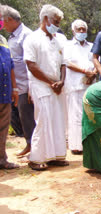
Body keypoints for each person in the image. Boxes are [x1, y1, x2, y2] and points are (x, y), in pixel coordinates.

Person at [23, 4, 68, 171]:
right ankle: (36, 158)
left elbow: (64, 63)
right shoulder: (32, 38)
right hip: (41, 85)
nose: (57, 24)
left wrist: (61, 81)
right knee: (43, 120)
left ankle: (56, 156)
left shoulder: (59, 39)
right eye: (55, 21)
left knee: (58, 120)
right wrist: (51, 82)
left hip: (58, 87)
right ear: (45, 19)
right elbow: (31, 65)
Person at [1, 5, 35, 156]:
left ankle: (33, 146)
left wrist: (31, 87)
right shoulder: (12, 36)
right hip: (17, 86)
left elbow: (30, 62)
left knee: (28, 116)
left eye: (3, 21)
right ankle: (29, 144)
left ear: (9, 19)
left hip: (26, 85)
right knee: (22, 116)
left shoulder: (26, 35)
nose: (3, 25)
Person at [64, 19, 96, 155]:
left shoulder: (92, 46)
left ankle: (89, 143)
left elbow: (96, 61)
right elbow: (68, 63)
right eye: (79, 29)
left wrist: (93, 74)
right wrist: (85, 72)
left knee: (89, 115)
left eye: (84, 29)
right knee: (76, 116)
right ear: (73, 31)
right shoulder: (68, 45)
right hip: (75, 85)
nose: (82, 31)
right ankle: (77, 146)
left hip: (90, 85)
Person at [0, 19, 19, 169]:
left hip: (5, 92)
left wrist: (14, 88)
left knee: (3, 128)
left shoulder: (3, 40)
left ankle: (2, 160)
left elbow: (10, 65)